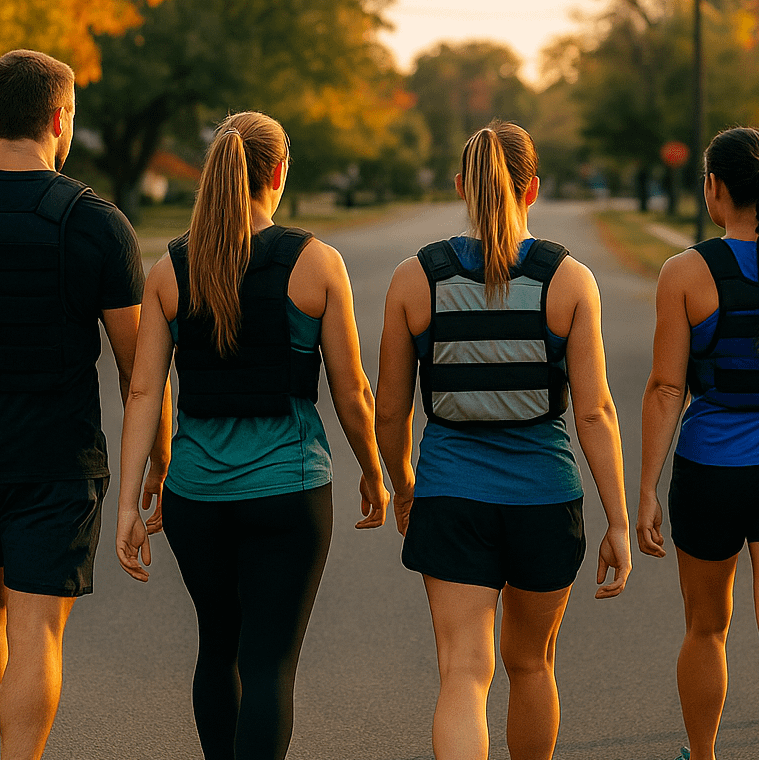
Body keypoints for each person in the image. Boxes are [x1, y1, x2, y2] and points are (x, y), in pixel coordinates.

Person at [116, 111, 389, 760]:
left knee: (219, 646)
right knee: (268, 663)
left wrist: (128, 504)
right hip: (287, 495)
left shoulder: (169, 269)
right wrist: (375, 473)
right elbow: (352, 391)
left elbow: (143, 392)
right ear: (277, 172)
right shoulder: (316, 263)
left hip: (195, 498)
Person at [376, 120, 632, 760]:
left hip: (452, 497)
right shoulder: (567, 281)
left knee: (463, 672)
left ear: (463, 185)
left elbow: (390, 410)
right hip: (544, 500)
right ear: (533, 190)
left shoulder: (417, 279)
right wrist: (620, 520)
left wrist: (404, 488)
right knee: (531, 665)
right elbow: (596, 412)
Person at [0, 49, 170, 760]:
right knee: (36, 631)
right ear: (60, 119)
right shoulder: (94, 222)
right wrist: (160, 456)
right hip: (55, 461)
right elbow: (140, 372)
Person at [638, 127, 759, 760]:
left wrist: (646, 490)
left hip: (710, 469)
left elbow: (664, 387)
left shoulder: (687, 272)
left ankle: (703, 756)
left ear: (713, 188)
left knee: (706, 628)